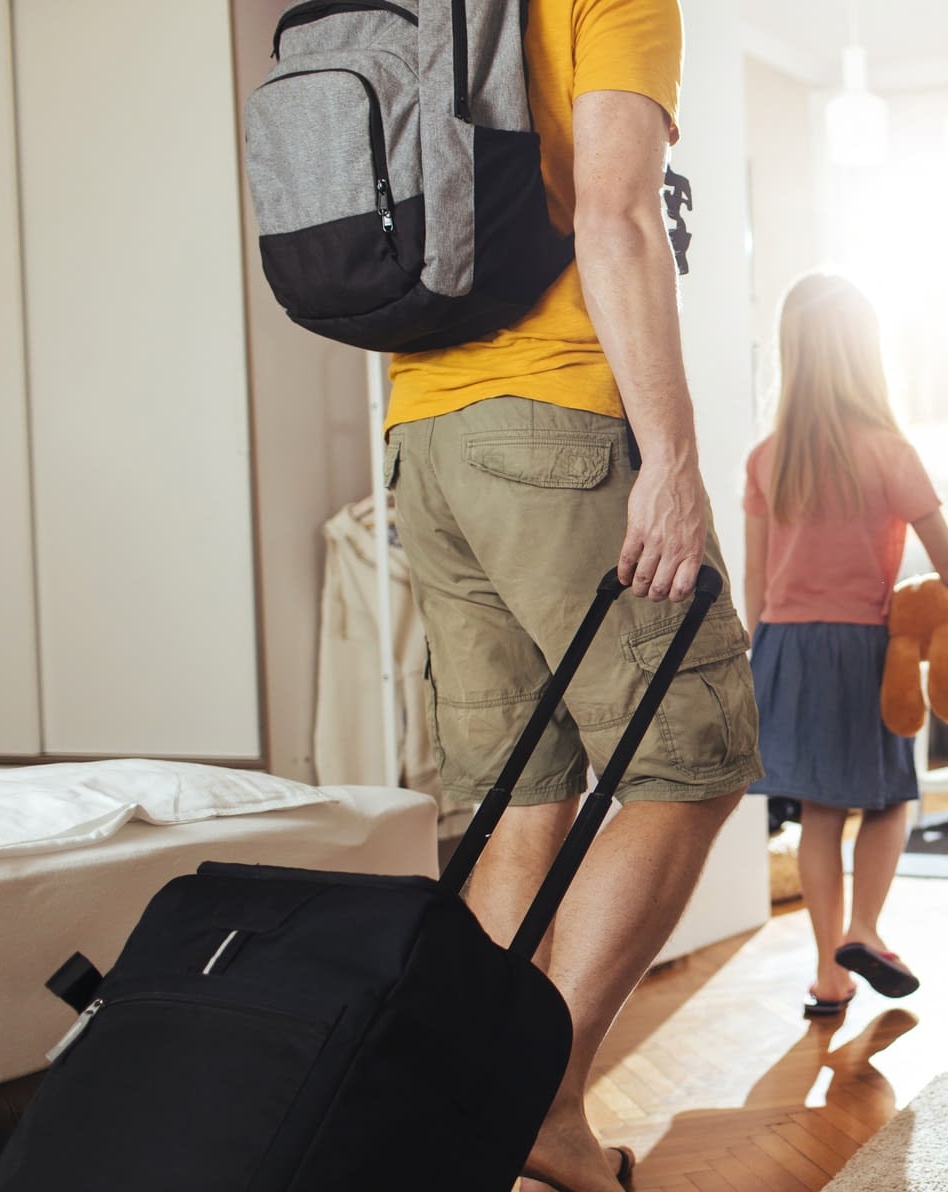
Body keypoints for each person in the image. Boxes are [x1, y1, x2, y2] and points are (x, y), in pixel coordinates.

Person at [383, 3, 759, 1190]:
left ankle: (473, 1131)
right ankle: (537, 1101)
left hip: (422, 434)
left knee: (517, 797)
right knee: (695, 747)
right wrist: (676, 461)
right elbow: (615, 211)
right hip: (556, 423)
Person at [743, 273, 948, 1019]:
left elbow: (754, 589)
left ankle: (828, 975)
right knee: (889, 800)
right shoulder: (888, 451)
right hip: (862, 649)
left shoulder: (766, 458)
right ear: (864, 354)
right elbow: (947, 559)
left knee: (820, 814)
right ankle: (865, 928)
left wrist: (758, 672)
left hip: (785, 650)